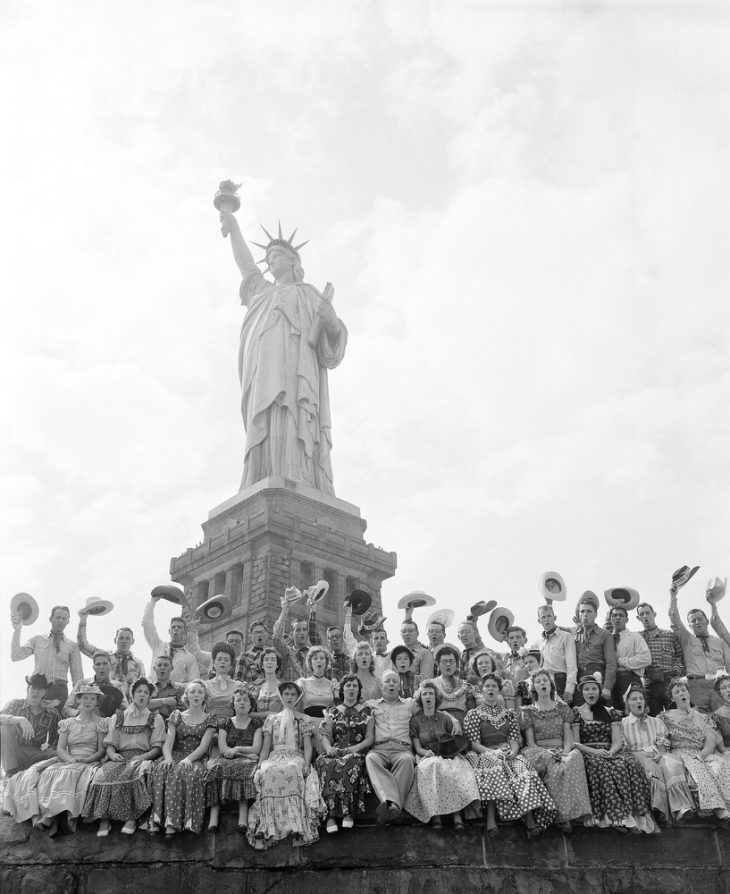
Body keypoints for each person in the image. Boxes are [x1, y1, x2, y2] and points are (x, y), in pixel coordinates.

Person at [219, 206, 348, 493]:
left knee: (293, 417)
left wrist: (331, 322)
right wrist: (234, 227)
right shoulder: (262, 293)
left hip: (297, 375)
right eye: (267, 258)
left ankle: (298, 473)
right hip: (263, 375)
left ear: (292, 261)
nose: (269, 261)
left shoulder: (309, 295)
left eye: (275, 256)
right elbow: (247, 267)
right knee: (266, 420)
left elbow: (333, 346)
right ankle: (261, 474)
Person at [464, 673, 556, 838]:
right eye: (487, 686)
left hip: (507, 751)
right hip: (486, 752)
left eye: (494, 686)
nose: (490, 689)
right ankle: (491, 819)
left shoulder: (509, 714)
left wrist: (513, 751)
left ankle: (529, 818)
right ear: (481, 690)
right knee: (494, 767)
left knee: (522, 768)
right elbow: (474, 743)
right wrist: (493, 752)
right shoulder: (474, 714)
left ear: (499, 690)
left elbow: (514, 738)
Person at [572, 674, 657, 832]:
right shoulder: (577, 712)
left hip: (610, 751)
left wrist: (610, 752)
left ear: (599, 691)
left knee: (628, 764)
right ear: (582, 692)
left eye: (594, 689)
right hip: (590, 752)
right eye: (587, 689)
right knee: (602, 768)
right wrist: (596, 752)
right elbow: (575, 743)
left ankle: (634, 816)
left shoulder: (610, 712)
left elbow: (617, 740)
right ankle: (615, 817)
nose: (591, 692)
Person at [82, 676, 165, 837]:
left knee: (135, 771)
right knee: (103, 774)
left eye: (145, 692)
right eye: (138, 691)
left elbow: (157, 747)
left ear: (149, 697)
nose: (142, 695)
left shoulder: (155, 717)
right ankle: (104, 818)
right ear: (132, 694)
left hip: (143, 755)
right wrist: (112, 755)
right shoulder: (118, 717)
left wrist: (145, 757)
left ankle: (131, 817)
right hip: (120, 756)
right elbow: (111, 744)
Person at [247, 681, 322, 848]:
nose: (289, 697)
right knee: (268, 771)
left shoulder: (303, 719)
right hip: (275, 755)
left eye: (293, 694)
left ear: (297, 697)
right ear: (281, 696)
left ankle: (296, 825)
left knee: (293, 769)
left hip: (295, 755)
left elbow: (308, 746)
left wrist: (307, 764)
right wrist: (260, 765)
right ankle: (269, 825)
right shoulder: (272, 719)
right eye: (286, 694)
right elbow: (266, 747)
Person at [520, 669, 592, 833]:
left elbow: (568, 738)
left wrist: (565, 752)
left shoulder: (562, 708)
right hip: (539, 750)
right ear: (534, 688)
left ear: (551, 685)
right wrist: (548, 753)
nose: (542, 683)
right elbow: (531, 743)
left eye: (545, 680)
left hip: (561, 748)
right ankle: (559, 817)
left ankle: (573, 812)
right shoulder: (528, 711)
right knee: (553, 766)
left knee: (574, 758)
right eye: (538, 682)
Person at [404, 680, 480, 829]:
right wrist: (427, 753)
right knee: (432, 766)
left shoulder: (445, 718)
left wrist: (450, 753)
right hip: (426, 755)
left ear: (436, 697)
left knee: (455, 768)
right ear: (420, 698)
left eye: (431, 694)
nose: (428, 697)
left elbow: (454, 740)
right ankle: (435, 814)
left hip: (448, 753)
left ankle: (456, 813)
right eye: (424, 694)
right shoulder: (415, 721)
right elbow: (417, 747)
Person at [33, 683, 107, 837]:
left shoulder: (101, 722)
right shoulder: (68, 723)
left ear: (96, 702)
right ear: (78, 700)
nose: (88, 701)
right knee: (49, 773)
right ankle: (52, 816)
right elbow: (60, 749)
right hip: (69, 759)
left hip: (89, 760)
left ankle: (56, 818)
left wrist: (86, 760)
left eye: (92, 698)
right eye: (85, 698)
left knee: (72, 774)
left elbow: (101, 750)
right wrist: (71, 759)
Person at [150, 679, 217, 836]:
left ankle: (175, 823)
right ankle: (157, 820)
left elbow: (203, 747)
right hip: (175, 753)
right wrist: (167, 758)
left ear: (204, 696)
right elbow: (168, 742)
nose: (196, 695)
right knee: (161, 769)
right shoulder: (177, 715)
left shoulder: (210, 719)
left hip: (196, 757)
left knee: (187, 772)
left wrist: (188, 759)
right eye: (192, 691)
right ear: (186, 695)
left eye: (200, 692)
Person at [661, 677, 730, 820]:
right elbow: (663, 739)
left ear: (689, 693)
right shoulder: (666, 717)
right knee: (697, 768)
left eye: (683, 690)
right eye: (677, 692)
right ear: (673, 698)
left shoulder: (703, 717)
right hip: (680, 752)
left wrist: (702, 755)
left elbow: (710, 742)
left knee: (720, 763)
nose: (681, 694)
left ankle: (726, 803)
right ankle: (717, 808)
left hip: (701, 752)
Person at [316, 673, 374, 833]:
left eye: (355, 685)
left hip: (357, 750)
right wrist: (329, 749)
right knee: (326, 763)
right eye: (348, 685)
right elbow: (325, 736)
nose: (351, 688)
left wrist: (354, 749)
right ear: (342, 690)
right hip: (336, 749)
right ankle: (330, 816)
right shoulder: (332, 711)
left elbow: (369, 739)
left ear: (359, 690)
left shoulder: (367, 712)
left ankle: (348, 813)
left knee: (351, 763)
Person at [205, 686, 263, 833]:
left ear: (251, 705)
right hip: (228, 758)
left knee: (244, 768)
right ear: (233, 704)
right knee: (215, 769)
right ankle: (213, 817)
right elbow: (224, 749)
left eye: (245, 700)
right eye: (238, 700)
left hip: (246, 761)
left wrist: (237, 750)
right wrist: (243, 753)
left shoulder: (256, 724)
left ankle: (242, 817)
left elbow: (256, 749)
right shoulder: (225, 723)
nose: (242, 703)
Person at [364, 670, 416, 825]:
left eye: (395, 681)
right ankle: (394, 805)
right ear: (381, 685)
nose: (391, 684)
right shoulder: (370, 705)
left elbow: (432, 709)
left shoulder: (410, 704)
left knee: (407, 761)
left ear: (400, 686)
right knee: (370, 758)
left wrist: (452, 719)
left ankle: (389, 804)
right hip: (379, 749)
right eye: (387, 681)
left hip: (403, 750)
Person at [668, 583, 730, 712]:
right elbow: (674, 618)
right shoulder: (687, 640)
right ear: (689, 625)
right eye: (693, 621)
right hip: (696, 686)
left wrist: (713, 604)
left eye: (700, 619)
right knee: (703, 722)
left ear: (707, 621)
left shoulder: (719, 642)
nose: (697, 622)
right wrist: (673, 596)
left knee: (723, 721)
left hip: (717, 685)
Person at [10, 605, 84, 708]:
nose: (61, 621)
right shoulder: (37, 640)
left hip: (59, 692)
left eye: (64, 618)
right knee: (32, 721)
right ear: (51, 619)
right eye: (58, 617)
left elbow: (78, 678)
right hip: (37, 688)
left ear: (68, 622)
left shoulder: (73, 646)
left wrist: (76, 702)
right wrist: (17, 630)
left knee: (56, 722)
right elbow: (16, 656)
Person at [620, 683, 671, 825]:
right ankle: (658, 810)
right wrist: (642, 755)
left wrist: (660, 753)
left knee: (671, 764)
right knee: (651, 770)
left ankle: (679, 807)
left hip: (657, 754)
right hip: (636, 756)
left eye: (641, 698)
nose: (638, 702)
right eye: (634, 699)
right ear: (628, 704)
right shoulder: (622, 724)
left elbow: (662, 739)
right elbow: (624, 746)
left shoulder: (656, 721)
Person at [0, 673, 58, 777]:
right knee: (3, 726)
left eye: (39, 689)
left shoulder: (52, 713)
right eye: (33, 688)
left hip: (35, 754)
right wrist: (20, 719)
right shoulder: (15, 704)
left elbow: (57, 740)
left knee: (60, 754)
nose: (35, 692)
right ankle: (11, 773)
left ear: (44, 692)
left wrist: (50, 749)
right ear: (28, 689)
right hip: (13, 752)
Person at [77, 610, 145, 695]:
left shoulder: (138, 663)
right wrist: (83, 619)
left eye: (127, 638)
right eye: (121, 638)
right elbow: (83, 645)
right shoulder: (105, 657)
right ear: (115, 640)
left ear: (133, 641)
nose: (124, 641)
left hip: (128, 704)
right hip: (104, 700)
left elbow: (143, 687)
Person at [637, 602, 685, 716]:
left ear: (654, 614)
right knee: (653, 720)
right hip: (650, 686)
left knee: (676, 717)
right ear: (638, 618)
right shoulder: (637, 638)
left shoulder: (669, 635)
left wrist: (676, 673)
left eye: (647, 613)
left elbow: (681, 658)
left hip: (669, 683)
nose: (645, 616)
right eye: (642, 614)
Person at [142, 597, 200, 684]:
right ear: (169, 631)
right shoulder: (158, 646)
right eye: (173, 627)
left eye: (179, 627)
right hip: (153, 693)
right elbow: (147, 625)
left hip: (175, 696)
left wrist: (175, 687)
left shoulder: (190, 658)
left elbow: (194, 682)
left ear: (184, 632)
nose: (176, 629)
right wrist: (153, 602)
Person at [572, 598, 616, 707]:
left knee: (602, 716)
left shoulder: (605, 635)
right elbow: (554, 629)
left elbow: (611, 663)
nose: (585, 614)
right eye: (582, 611)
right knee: (580, 715)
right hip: (579, 678)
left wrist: (607, 687)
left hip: (598, 677)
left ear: (596, 614)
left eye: (589, 611)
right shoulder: (572, 634)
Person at [609, 606, 651, 710]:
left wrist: (620, 660)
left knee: (634, 714)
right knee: (615, 716)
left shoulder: (635, 637)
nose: (617, 618)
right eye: (614, 615)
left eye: (621, 615)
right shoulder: (607, 639)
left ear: (627, 619)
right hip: (610, 683)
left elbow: (646, 658)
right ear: (610, 619)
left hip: (629, 680)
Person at [64, 652, 128, 719]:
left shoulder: (117, 686)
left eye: (105, 663)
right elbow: (66, 709)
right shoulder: (82, 684)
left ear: (110, 665)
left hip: (106, 725)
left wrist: (114, 715)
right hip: (82, 725)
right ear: (94, 667)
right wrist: (80, 713)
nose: (101, 667)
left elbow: (126, 710)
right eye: (98, 664)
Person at [272, 594, 320, 681]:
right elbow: (277, 638)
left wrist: (313, 610)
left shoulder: (313, 654)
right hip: (291, 692)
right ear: (292, 633)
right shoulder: (287, 652)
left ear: (307, 633)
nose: (302, 632)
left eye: (304, 630)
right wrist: (284, 611)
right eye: (298, 630)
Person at [538, 604, 577, 703]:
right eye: (543, 617)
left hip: (561, 682)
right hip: (545, 684)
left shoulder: (566, 637)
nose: (547, 619)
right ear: (539, 621)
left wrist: (569, 689)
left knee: (564, 716)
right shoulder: (539, 642)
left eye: (549, 616)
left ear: (554, 617)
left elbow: (571, 665)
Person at [430, 644, 476, 725]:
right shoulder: (431, 684)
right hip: (439, 723)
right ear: (438, 663)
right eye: (444, 661)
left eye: (451, 661)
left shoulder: (465, 686)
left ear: (456, 664)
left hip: (462, 723)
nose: (448, 664)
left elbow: (472, 712)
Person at [296, 646, 338, 720]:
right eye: (315, 658)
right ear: (310, 662)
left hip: (327, 724)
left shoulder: (332, 684)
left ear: (326, 662)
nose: (319, 661)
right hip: (308, 724)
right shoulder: (303, 683)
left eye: (322, 658)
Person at [203, 642, 240, 725]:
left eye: (226, 660)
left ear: (231, 665)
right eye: (219, 659)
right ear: (213, 663)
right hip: (209, 728)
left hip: (230, 729)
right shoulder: (205, 686)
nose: (222, 662)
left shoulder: (238, 686)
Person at [147, 655, 185, 719]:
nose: (162, 668)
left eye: (166, 665)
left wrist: (154, 704)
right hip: (150, 726)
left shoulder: (180, 689)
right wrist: (165, 701)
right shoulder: (148, 689)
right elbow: (142, 705)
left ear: (171, 668)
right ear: (154, 668)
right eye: (159, 665)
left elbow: (183, 712)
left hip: (172, 726)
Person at [254, 647, 285, 716]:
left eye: (273, 660)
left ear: (277, 665)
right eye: (266, 660)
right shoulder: (257, 688)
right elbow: (249, 714)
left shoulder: (283, 688)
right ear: (262, 665)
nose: (269, 662)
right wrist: (267, 714)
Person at [712, 673, 730, 746]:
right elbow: (720, 746)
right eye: (723, 687)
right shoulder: (717, 716)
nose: (728, 690)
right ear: (719, 693)